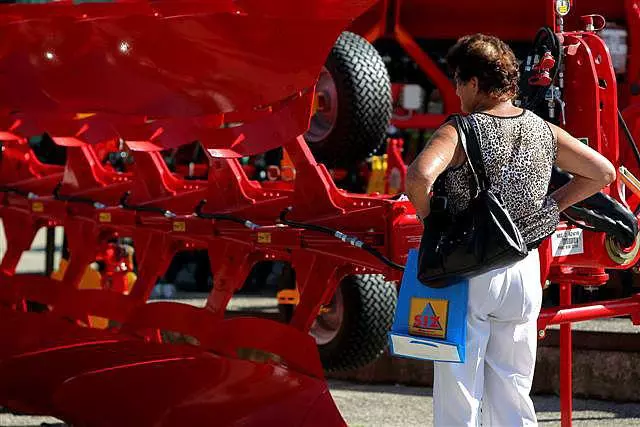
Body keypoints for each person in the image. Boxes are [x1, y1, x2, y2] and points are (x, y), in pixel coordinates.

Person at [405, 34, 616, 426]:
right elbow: (602, 172)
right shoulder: (543, 129)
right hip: (524, 269)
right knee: (513, 387)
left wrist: (431, 221)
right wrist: (554, 205)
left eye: (456, 81)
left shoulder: (462, 129)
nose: (455, 90)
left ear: (472, 83)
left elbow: (418, 177)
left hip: (467, 269)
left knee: (459, 390)